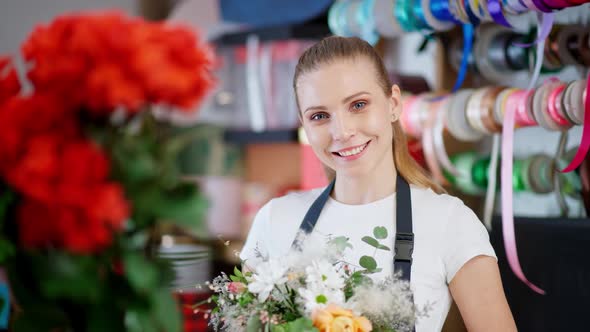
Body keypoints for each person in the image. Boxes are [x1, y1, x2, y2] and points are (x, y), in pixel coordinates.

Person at [240, 36, 516, 331]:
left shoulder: (450, 221)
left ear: (393, 103)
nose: (342, 131)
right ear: (304, 124)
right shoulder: (275, 219)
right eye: (319, 116)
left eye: (358, 105)